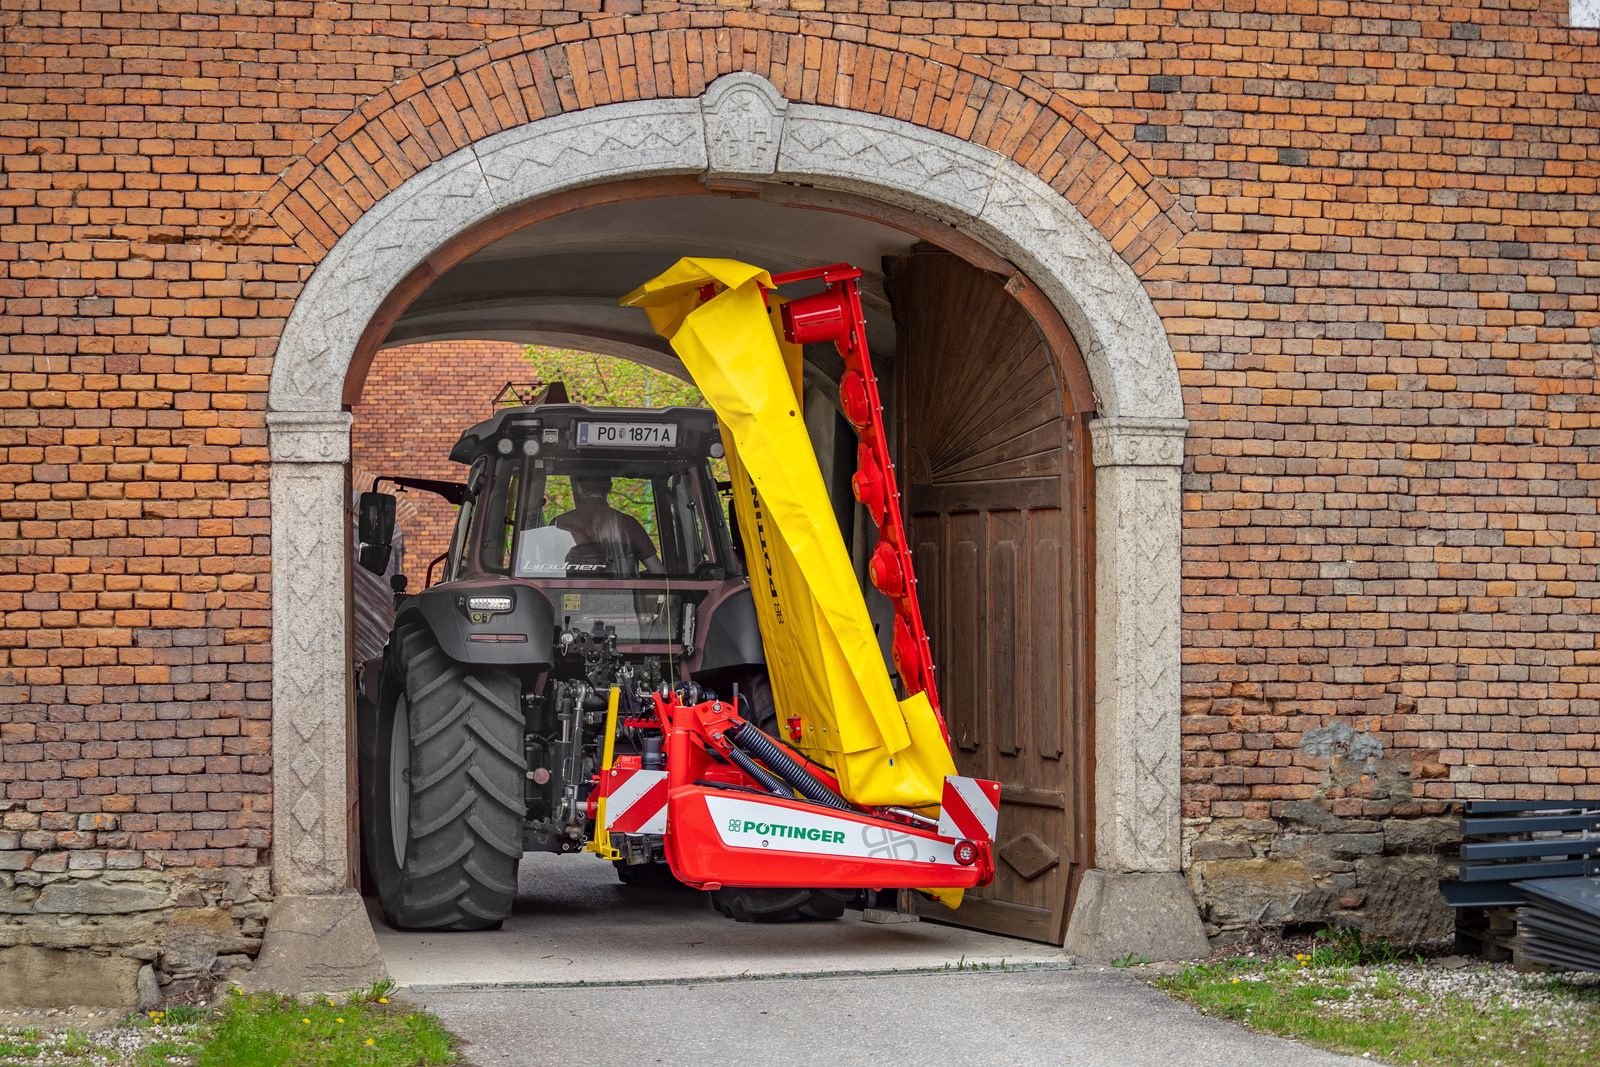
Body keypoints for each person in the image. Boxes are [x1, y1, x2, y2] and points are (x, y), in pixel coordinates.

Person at [553, 476, 666, 575]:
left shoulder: (558, 523)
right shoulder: (629, 524)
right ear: (610, 487)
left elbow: (547, 569)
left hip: (566, 597)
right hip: (625, 598)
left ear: (578, 487)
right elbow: (659, 573)